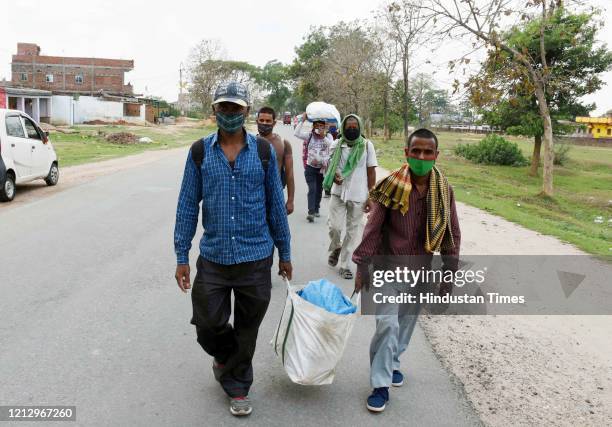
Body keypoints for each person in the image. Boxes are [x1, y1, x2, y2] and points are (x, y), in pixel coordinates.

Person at [173, 81, 292, 417]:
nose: (229, 114)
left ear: (247, 112)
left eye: (235, 108)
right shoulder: (199, 152)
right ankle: (225, 357)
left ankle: (239, 387)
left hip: (256, 258)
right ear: (214, 111)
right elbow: (186, 205)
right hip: (214, 257)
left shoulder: (265, 153)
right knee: (208, 323)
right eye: (223, 108)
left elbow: (275, 207)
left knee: (248, 328)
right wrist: (182, 255)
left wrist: (285, 252)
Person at [352, 128, 461, 413]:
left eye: (428, 152)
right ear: (407, 153)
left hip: (421, 272)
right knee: (388, 324)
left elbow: (451, 235)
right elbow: (372, 229)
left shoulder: (443, 190)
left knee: (405, 324)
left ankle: (393, 362)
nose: (422, 157)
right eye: (416, 151)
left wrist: (448, 276)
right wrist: (362, 264)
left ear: (436, 155)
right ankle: (380, 384)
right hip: (388, 268)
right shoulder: (391, 186)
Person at [323, 114, 377, 280]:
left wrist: (371, 196)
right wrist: (334, 177)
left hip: (358, 194)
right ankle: (336, 247)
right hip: (338, 193)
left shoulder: (367, 146)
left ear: (359, 128)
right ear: (343, 128)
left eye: (355, 127)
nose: (352, 129)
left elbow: (371, 171)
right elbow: (329, 168)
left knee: (352, 231)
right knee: (335, 227)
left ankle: (345, 265)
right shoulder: (336, 145)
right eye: (349, 127)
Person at [256, 106, 295, 215]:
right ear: (257, 122)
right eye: (261, 120)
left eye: (268, 121)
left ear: (274, 123)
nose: (264, 123)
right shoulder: (249, 143)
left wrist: (290, 200)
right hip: (253, 196)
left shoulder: (283, 144)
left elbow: (290, 175)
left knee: (277, 229)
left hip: (275, 195)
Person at [294, 111, 332, 222]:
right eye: (317, 126)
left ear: (325, 127)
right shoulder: (309, 136)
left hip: (322, 169)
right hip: (310, 167)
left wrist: (323, 136)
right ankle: (311, 212)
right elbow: (296, 133)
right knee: (312, 189)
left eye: (321, 126)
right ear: (313, 126)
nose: (319, 128)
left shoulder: (328, 136)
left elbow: (332, 146)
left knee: (319, 189)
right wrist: (302, 120)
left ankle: (316, 208)